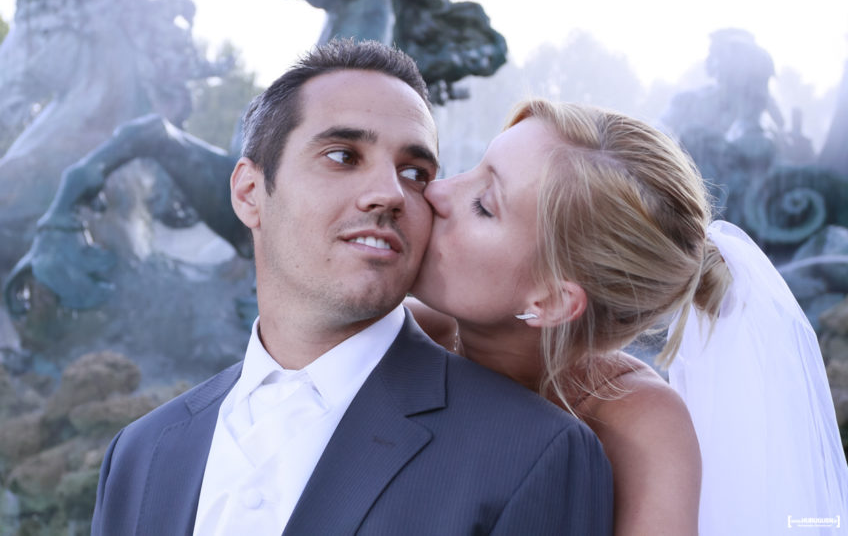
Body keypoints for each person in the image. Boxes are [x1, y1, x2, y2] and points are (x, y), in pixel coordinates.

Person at [91, 41, 614, 535]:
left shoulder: (534, 453)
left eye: (414, 172)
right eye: (343, 156)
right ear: (250, 192)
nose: (390, 193)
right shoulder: (139, 454)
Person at [409, 98, 848, 535]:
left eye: (484, 205)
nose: (436, 190)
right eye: (473, 166)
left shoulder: (640, 431)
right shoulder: (399, 330)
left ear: (554, 302)